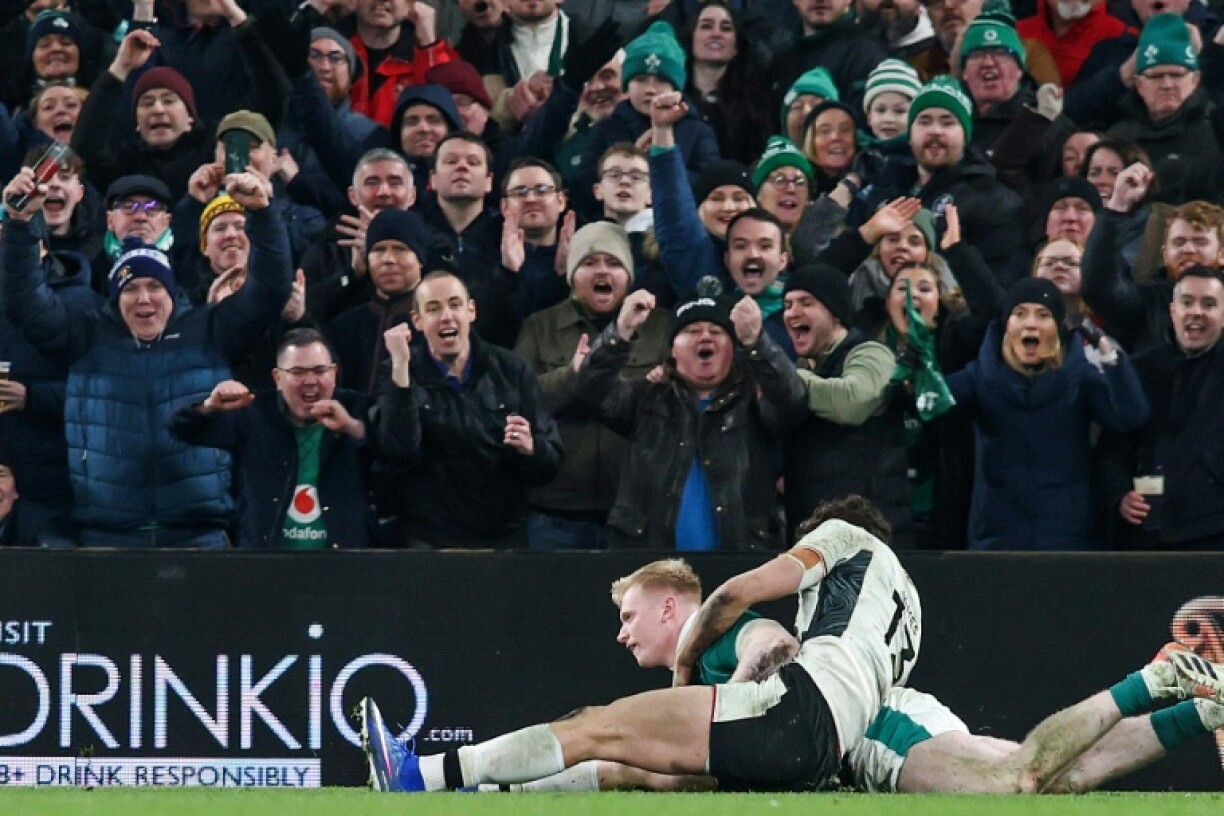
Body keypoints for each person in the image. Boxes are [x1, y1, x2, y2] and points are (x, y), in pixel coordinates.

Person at [493, 559, 1224, 795]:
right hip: (872, 733)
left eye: (629, 615)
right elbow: (632, 771)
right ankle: (1202, 714)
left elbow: (775, 640)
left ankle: (1152, 684)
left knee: (1025, 781)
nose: (622, 633)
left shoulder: (715, 643)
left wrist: (739, 693)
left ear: (671, 606)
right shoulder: (693, 690)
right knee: (1054, 779)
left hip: (879, 730)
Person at [363, 495, 923, 792]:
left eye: (632, 615)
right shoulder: (909, 610)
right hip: (824, 751)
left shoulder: (845, 539)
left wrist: (684, 674)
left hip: (797, 711)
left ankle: (420, 775)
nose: (623, 631)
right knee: (629, 766)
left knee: (592, 724)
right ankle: (478, 791)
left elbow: (738, 599)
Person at [0, 164, 292, 548]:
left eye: (155, 286)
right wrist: (19, 223)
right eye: (130, 288)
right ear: (115, 297)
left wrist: (264, 213)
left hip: (199, 537)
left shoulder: (209, 330)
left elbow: (270, 290)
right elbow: (25, 301)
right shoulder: (86, 335)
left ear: (172, 293)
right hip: (106, 539)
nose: (143, 298)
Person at [574, 288, 805, 550]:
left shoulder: (753, 399)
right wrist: (621, 331)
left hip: (741, 569)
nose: (705, 336)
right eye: (692, 331)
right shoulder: (646, 397)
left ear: (733, 348)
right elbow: (590, 390)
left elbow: (792, 400)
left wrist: (757, 342)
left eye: (717, 331)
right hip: (652, 569)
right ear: (672, 349)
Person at [947, 277, 1150, 549]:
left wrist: (1105, 350)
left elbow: (1129, 415)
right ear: (1007, 326)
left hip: (1068, 537)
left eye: (1043, 315)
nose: (1030, 323)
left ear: (1058, 328)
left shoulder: (1080, 377)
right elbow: (929, 405)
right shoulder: (979, 377)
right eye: (1020, 314)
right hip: (996, 537)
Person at [377, 271, 562, 549]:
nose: (446, 316)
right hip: (430, 542)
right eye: (433, 308)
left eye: (454, 304)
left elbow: (550, 464)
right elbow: (399, 452)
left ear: (471, 311)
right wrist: (400, 371)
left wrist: (531, 449)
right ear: (417, 321)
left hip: (504, 540)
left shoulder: (512, 370)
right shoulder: (397, 373)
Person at [514, 222, 670, 550]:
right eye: (589, 263)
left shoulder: (662, 327)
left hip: (636, 509)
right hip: (556, 510)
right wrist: (571, 375)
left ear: (629, 276)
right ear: (571, 276)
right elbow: (520, 399)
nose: (602, 271)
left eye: (614, 263)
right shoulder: (539, 327)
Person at [168, 328, 371, 549]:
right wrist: (209, 406)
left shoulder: (356, 409)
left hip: (343, 567)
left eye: (320, 370)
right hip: (266, 565)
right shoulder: (253, 413)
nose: (310, 380)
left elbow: (396, 450)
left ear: (334, 373)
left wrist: (352, 427)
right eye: (298, 372)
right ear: (278, 378)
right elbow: (179, 429)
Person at [782, 264, 912, 544]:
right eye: (788, 304)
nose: (793, 312)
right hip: (814, 534)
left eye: (807, 303)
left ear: (836, 314)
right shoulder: (804, 367)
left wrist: (787, 378)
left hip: (872, 536)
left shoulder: (872, 353)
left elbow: (851, 402)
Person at [1096, 266, 1224, 550]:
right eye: (1187, 302)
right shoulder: (1139, 370)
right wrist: (1119, 496)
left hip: (1214, 535)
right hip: (1149, 535)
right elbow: (1113, 448)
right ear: (1172, 310)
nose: (1196, 312)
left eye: (1209, 304)